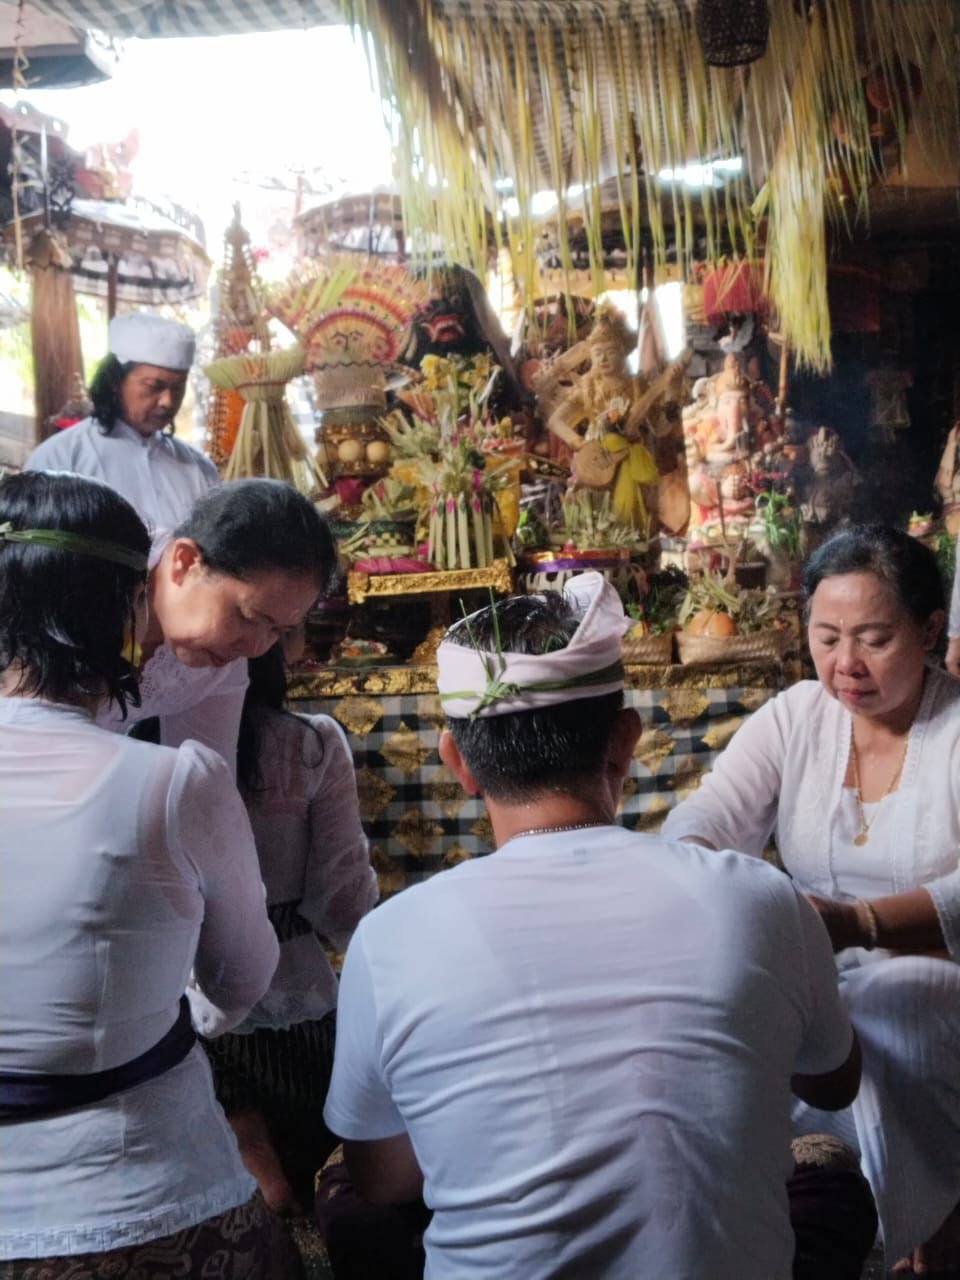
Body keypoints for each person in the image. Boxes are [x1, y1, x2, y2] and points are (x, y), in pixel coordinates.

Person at [323, 574, 873, 1280]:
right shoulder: (762, 896)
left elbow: (384, 1178)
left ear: (457, 760)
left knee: (347, 1191)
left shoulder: (390, 939)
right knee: (828, 1183)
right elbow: (833, 1081)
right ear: (626, 741)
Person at [0, 471, 300, 1278]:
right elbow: (240, 975)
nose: (258, 645)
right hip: (137, 1209)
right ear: (138, 598)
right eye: (254, 619)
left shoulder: (185, 756)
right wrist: (155, 1006)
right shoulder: (174, 782)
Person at [662, 524, 960, 1274]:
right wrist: (705, 870)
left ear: (930, 631)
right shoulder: (796, 716)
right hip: (820, 966)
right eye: (826, 638)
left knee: (893, 1000)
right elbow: (705, 818)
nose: (845, 664)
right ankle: (801, 1218)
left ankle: (924, 1217)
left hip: (940, 972)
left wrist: (859, 923)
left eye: (874, 639)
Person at [204, 640, 378, 1214]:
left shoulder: (142, 744)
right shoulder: (309, 744)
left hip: (182, 1026)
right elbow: (343, 901)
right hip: (294, 1008)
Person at [97, 477, 336, 770]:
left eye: (278, 631)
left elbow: (208, 778)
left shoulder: (219, 661)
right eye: (248, 617)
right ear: (185, 562)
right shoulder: (93, 577)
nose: (256, 649)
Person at [25, 311, 219, 533]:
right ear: (115, 381)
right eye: (154, 386)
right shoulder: (60, 458)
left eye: (177, 388)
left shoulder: (199, 468)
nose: (167, 401)